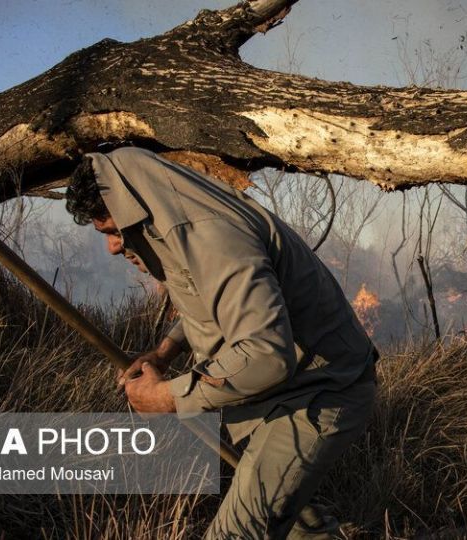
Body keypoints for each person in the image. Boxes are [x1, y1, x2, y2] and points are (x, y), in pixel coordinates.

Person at [65, 147, 379, 539]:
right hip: (279, 394)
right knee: (302, 529)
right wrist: (165, 351)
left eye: (112, 230)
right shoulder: (174, 215)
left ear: (130, 208)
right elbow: (215, 299)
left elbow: (266, 354)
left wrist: (166, 397)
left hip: (317, 393)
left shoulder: (210, 233)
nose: (112, 247)